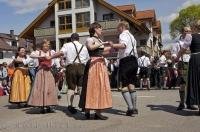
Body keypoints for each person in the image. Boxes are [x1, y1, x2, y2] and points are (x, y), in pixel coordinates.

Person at [79, 22, 112, 120]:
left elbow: (102, 51)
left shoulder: (99, 40)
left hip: (100, 64)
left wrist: (112, 46)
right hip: (93, 64)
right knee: (91, 87)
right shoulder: (90, 39)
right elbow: (91, 47)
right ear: (95, 29)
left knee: (100, 87)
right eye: (100, 28)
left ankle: (98, 112)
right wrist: (102, 43)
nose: (101, 30)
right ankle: (87, 111)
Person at [51, 33, 90, 114]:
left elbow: (61, 53)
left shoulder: (67, 45)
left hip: (71, 67)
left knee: (71, 88)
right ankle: (84, 106)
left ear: (71, 39)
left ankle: (70, 106)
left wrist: (51, 57)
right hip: (82, 67)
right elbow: (87, 60)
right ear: (78, 39)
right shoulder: (84, 47)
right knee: (81, 87)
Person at [110, 21, 138, 116]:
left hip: (126, 61)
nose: (117, 30)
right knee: (131, 84)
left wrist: (113, 45)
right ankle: (134, 108)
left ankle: (130, 108)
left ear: (122, 27)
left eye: (118, 28)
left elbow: (123, 45)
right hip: (134, 60)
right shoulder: (132, 36)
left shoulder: (123, 34)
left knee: (124, 85)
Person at [176, 21, 200, 114]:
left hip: (195, 59)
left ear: (195, 27)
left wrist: (177, 57)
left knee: (196, 81)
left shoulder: (190, 36)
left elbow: (183, 48)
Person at [28, 40, 58, 113]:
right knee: (41, 88)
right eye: (45, 46)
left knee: (49, 89)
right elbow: (31, 55)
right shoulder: (39, 52)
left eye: (47, 46)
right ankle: (41, 106)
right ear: (42, 46)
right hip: (41, 72)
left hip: (48, 72)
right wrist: (41, 56)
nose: (46, 47)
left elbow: (59, 54)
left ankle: (49, 105)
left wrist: (51, 57)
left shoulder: (52, 52)